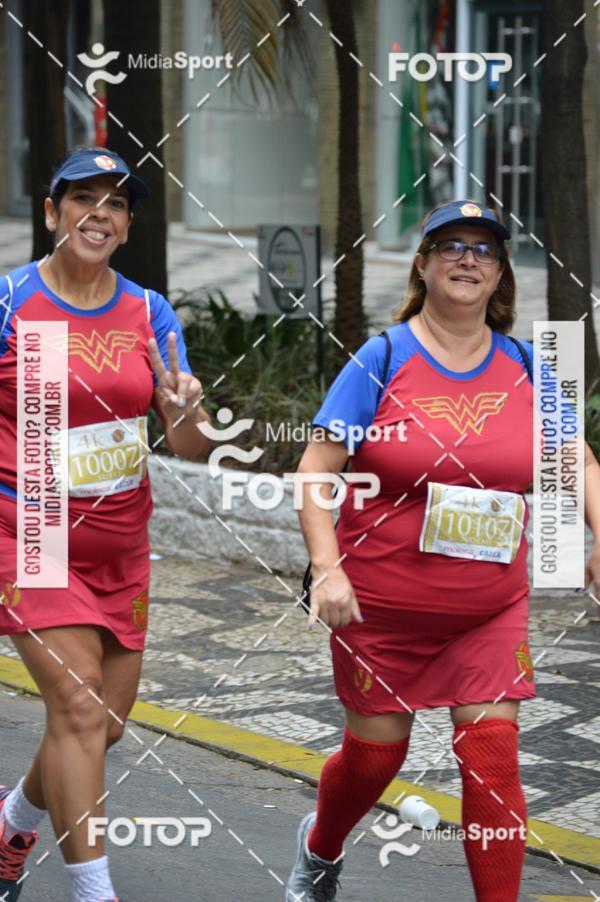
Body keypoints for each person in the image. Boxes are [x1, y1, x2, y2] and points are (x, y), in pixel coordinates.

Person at [285, 199, 600, 901]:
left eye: (483, 249)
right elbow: (315, 470)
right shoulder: (384, 355)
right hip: (381, 607)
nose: (467, 258)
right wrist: (327, 570)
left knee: (492, 757)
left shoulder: (526, 364)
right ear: (422, 265)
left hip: (487, 610)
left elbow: (577, 461)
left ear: (499, 275)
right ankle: (320, 846)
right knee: (374, 759)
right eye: (449, 245)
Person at [0, 148, 211, 901]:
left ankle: (13, 822)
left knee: (96, 726)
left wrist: (184, 408)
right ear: (52, 212)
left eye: (116, 203)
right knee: (82, 706)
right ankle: (96, 893)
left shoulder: (148, 312)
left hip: (123, 542)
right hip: (33, 532)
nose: (100, 212)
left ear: (125, 227)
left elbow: (186, 442)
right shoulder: (10, 302)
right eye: (82, 197)